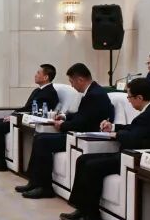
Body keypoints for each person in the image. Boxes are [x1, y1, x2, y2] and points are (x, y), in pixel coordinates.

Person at [61, 78, 150, 220]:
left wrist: (116, 134)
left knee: (91, 166)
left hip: (138, 157)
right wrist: (113, 127)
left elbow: (134, 137)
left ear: (139, 97)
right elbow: (135, 129)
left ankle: (91, 214)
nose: (128, 100)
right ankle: (82, 208)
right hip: (130, 153)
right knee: (83, 160)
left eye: (129, 97)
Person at [17, 63, 113, 199]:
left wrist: (63, 125)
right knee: (39, 138)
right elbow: (82, 115)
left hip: (84, 136)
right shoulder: (93, 91)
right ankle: (34, 182)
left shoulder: (94, 95)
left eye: (72, 82)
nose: (72, 86)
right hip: (78, 132)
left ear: (80, 80)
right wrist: (65, 117)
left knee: (43, 141)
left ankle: (44, 187)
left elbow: (83, 123)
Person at [0, 64, 59, 171]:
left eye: (38, 73)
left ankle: (0, 161)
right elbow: (26, 107)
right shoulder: (38, 90)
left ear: (46, 77)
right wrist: (13, 114)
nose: (35, 75)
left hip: (25, 120)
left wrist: (15, 116)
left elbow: (37, 112)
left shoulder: (50, 93)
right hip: (19, 117)